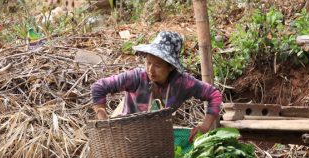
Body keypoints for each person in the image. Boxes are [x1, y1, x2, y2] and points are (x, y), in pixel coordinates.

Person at [91, 31, 222, 142]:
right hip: (128, 139)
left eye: (158, 65)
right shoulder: (137, 77)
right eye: (148, 62)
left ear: (171, 67)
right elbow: (99, 87)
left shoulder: (182, 83)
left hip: (158, 139)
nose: (150, 70)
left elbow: (214, 95)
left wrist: (204, 126)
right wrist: (103, 119)